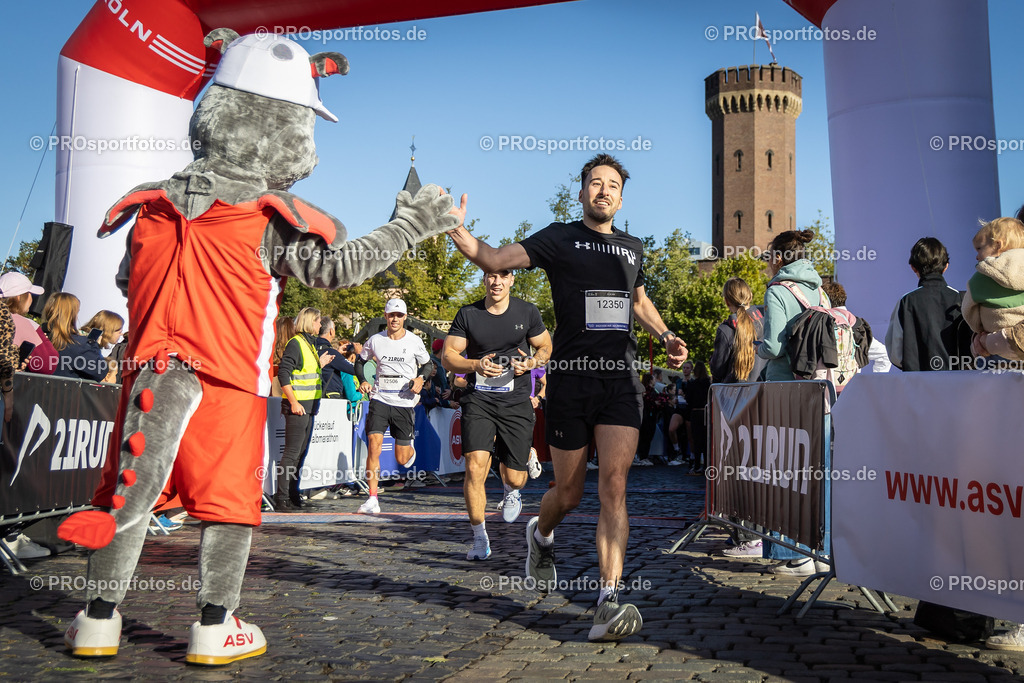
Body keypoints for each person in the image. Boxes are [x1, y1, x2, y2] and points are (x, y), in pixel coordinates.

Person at [446, 153, 687, 641]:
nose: (603, 191)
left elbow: (638, 300)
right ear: (581, 193)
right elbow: (494, 260)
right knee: (570, 494)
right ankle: (542, 533)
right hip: (572, 382)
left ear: (621, 197)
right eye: (594, 184)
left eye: (612, 185)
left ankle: (608, 600)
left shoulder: (632, 248)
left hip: (620, 380)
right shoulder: (559, 237)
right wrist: (459, 232)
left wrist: (666, 337)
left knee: (614, 486)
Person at [441, 268, 552, 560]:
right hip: (479, 399)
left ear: (512, 280)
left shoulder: (527, 312)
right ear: (484, 280)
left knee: (515, 478)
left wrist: (531, 362)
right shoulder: (468, 314)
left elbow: (545, 347)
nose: (497, 281)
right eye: (491, 275)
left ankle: (512, 488)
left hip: (515, 402)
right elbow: (449, 356)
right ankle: (479, 538)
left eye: (503, 275)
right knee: (475, 466)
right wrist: (475, 365)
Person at [757, 229, 829, 576]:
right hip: (817, 389)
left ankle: (792, 553)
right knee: (811, 470)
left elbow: (773, 347)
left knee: (783, 469)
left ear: (779, 258)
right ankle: (817, 550)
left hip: (784, 387)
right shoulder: (820, 290)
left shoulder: (777, 292)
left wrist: (758, 349)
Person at [355, 298, 431, 513]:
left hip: (404, 402)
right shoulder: (375, 340)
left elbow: (427, 364)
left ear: (405, 317)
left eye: (399, 315)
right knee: (373, 445)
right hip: (380, 398)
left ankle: (410, 448)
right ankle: (372, 498)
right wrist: (364, 380)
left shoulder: (414, 341)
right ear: (386, 316)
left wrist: (420, 379)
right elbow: (360, 361)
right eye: (391, 315)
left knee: (402, 457)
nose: (395, 319)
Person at [710, 277, 766, 558]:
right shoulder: (763, 323)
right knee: (754, 472)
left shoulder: (725, 329)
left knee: (733, 474)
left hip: (731, 409)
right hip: (761, 406)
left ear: (726, 301)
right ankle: (749, 535)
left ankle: (748, 538)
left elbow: (718, 371)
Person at [884, 237, 972, 371]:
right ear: (946, 266)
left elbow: (896, 353)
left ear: (913, 268)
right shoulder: (962, 299)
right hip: (957, 383)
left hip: (917, 384)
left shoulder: (906, 302)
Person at [275, 308, 332, 512]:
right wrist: (293, 402)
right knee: (291, 453)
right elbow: (284, 374)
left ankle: (292, 493)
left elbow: (305, 372)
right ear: (310, 322)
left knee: (300, 453)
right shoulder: (296, 343)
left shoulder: (308, 343)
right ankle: (281, 497)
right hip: (298, 407)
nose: (320, 325)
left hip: (309, 407)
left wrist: (320, 363)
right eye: (318, 322)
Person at [962, 217, 1024, 360]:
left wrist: (980, 332)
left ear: (997, 245)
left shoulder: (980, 279)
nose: (977, 256)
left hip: (996, 353)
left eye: (979, 249)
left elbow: (969, 313)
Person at [0, 272, 58, 375]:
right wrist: (42, 338)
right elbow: (48, 364)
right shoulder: (23, 323)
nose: (31, 298)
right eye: (29, 294)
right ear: (18, 298)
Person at [43, 293, 106, 382]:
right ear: (72, 315)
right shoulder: (79, 345)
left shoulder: (37, 337)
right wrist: (95, 346)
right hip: (66, 394)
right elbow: (100, 372)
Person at [314, 316, 357, 399]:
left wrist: (337, 353)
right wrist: (358, 353)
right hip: (331, 398)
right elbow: (353, 369)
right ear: (331, 331)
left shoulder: (312, 349)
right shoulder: (331, 353)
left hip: (314, 396)